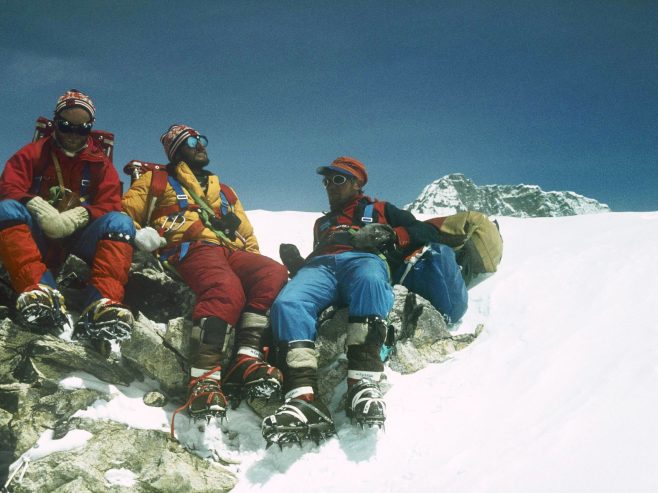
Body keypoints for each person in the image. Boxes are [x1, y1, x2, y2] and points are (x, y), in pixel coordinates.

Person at [261, 156, 440, 446]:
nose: (330, 185)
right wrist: (299, 264)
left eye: (338, 179)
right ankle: (302, 395)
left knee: (370, 281)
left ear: (358, 183)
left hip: (364, 260)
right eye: (327, 180)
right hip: (320, 267)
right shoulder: (323, 223)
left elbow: (428, 231)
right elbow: (324, 257)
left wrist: (391, 234)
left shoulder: (381, 209)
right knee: (288, 303)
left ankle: (363, 382)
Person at [121, 124, 288, 425]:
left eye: (202, 139)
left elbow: (247, 235)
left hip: (230, 251)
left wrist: (252, 259)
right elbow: (123, 214)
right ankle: (204, 378)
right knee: (226, 289)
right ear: (175, 151)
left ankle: (246, 356)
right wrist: (140, 235)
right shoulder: (155, 181)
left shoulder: (224, 191)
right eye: (191, 142)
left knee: (272, 273)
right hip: (190, 247)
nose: (201, 145)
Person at [0, 89, 135, 349]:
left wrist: (79, 215)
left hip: (80, 240)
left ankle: (101, 303)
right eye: (66, 125)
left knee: (122, 224)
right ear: (56, 122)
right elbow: (5, 189)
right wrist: (37, 206)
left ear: (89, 129)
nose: (72, 134)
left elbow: (110, 203)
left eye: (81, 128)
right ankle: (38, 289)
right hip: (40, 236)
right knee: (4, 211)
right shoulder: (33, 153)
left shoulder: (100, 164)